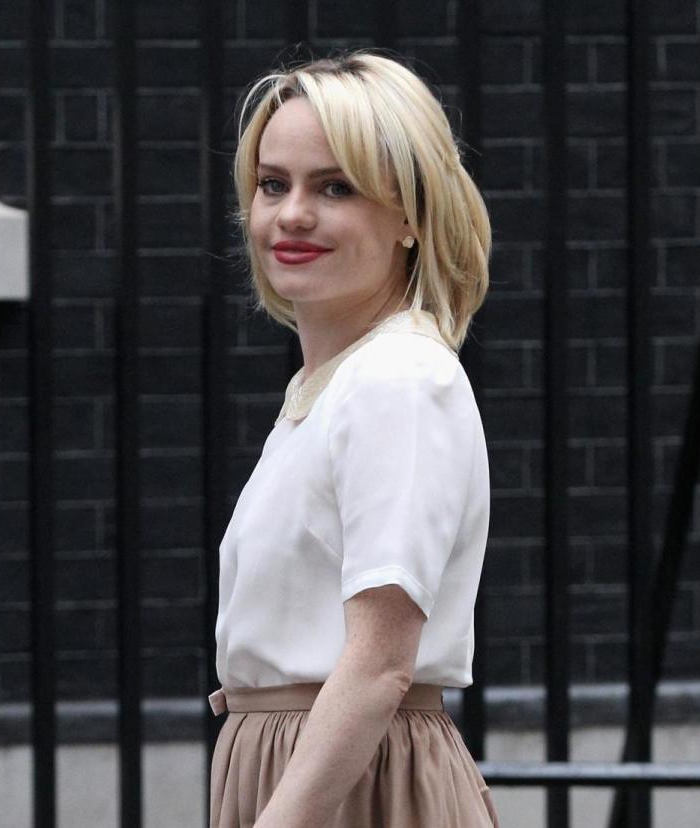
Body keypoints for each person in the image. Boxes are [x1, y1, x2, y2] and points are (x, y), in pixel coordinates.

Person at [209, 49, 497, 828]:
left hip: (356, 785)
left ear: (410, 214)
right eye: (274, 184)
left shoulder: (398, 380)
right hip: (302, 767)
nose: (292, 214)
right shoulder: (333, 386)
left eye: (335, 187)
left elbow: (379, 665)